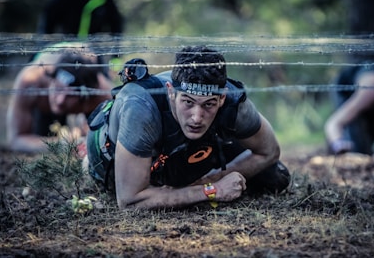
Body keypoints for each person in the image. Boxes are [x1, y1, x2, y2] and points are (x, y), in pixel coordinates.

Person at [86, 46, 291, 210]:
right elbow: (129, 201)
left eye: (208, 104)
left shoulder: (233, 102)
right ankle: (86, 164)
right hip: (121, 158)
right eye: (188, 102)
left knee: (276, 176)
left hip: (186, 149)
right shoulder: (141, 108)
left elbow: (269, 151)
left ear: (221, 98)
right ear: (171, 93)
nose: (196, 117)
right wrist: (212, 190)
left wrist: (204, 181)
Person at [6, 42, 113, 153]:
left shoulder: (101, 93)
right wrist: (62, 145)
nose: (60, 100)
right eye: (58, 89)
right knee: (42, 134)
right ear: (51, 80)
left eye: (71, 95)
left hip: (89, 65)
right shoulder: (30, 81)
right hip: (47, 57)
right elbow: (16, 140)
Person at [324, 64, 374, 164]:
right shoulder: (370, 89)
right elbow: (333, 123)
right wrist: (340, 145)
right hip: (354, 89)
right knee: (359, 150)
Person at [37, 0, 123, 38]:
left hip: (93, 50)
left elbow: (116, 24)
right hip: (66, 47)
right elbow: (48, 21)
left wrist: (115, 57)